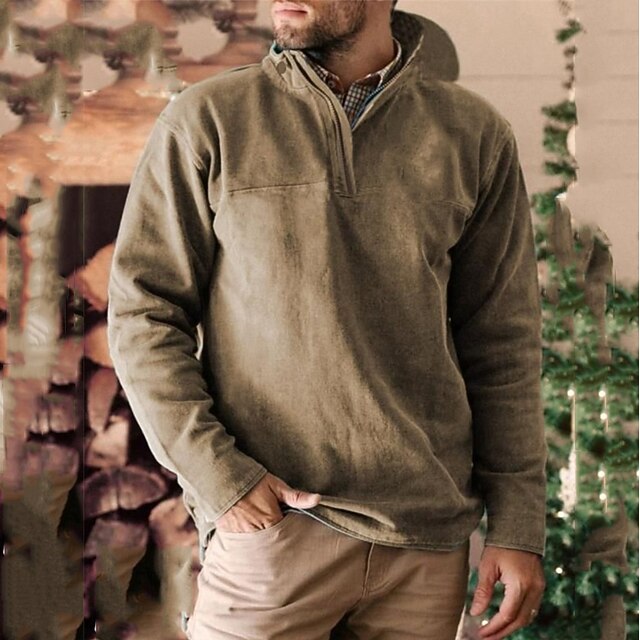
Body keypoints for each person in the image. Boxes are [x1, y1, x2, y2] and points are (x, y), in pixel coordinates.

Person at [107, 1, 548, 638]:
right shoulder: (208, 119)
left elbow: (502, 345)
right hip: (276, 531)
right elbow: (143, 314)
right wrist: (220, 478)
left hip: (425, 547)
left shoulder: (473, 134)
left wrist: (518, 524)